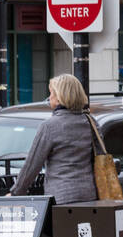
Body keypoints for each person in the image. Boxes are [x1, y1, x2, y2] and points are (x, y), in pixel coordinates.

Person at [11, 74, 97, 204]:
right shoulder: (91, 123)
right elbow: (99, 156)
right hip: (90, 195)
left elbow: (32, 165)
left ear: (60, 97)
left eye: (52, 93)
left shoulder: (49, 126)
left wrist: (16, 192)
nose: (49, 97)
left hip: (61, 198)